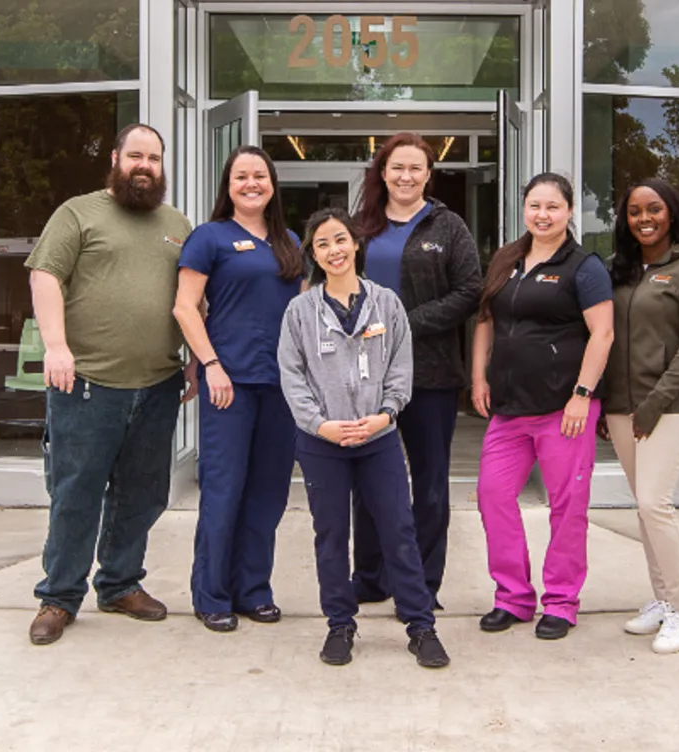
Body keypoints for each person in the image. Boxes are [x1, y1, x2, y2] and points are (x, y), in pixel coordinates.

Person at [26, 123, 196, 646]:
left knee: (143, 494)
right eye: (136, 156)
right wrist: (56, 346)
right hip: (87, 385)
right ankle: (58, 597)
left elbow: (191, 295)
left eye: (155, 158)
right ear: (117, 158)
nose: (145, 166)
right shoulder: (78, 213)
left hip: (158, 384)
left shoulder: (176, 224)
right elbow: (45, 275)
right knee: (76, 493)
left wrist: (194, 359)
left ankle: (120, 584)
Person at [277, 208, 451, 669]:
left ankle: (420, 626)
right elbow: (292, 377)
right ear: (313, 254)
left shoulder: (387, 304)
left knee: (398, 528)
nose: (333, 250)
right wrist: (319, 425)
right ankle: (340, 625)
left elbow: (400, 368)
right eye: (322, 244)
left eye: (340, 240)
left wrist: (385, 415)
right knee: (331, 533)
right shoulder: (300, 311)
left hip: (378, 437)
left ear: (356, 244)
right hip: (322, 441)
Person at [471, 173, 614, 641]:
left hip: (563, 410)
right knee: (493, 497)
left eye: (553, 206)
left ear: (569, 212)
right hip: (510, 411)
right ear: (524, 209)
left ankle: (561, 601)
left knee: (566, 507)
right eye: (535, 205)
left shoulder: (583, 267)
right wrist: (479, 376)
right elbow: (486, 320)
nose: (543, 215)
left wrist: (582, 394)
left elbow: (603, 333)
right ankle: (511, 596)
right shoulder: (507, 259)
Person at [173, 145, 306, 633]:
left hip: (282, 387)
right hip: (228, 383)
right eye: (241, 176)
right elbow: (186, 308)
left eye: (260, 176)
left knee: (268, 494)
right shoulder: (209, 238)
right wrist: (209, 364)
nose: (252, 184)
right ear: (227, 186)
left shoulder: (288, 241)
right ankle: (212, 594)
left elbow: (301, 312)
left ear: (272, 185)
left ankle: (254, 590)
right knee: (224, 490)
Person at [349, 133, 482, 608]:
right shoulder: (361, 225)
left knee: (428, 482)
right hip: (364, 377)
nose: (405, 177)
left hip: (430, 374)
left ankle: (423, 583)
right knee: (368, 480)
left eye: (415, 168)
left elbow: (470, 290)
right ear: (382, 173)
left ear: (429, 174)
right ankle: (369, 577)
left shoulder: (448, 227)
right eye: (396, 168)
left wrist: (404, 323)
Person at [599, 177, 679, 655]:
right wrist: (611, 402)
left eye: (653, 209)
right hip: (624, 407)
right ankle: (661, 595)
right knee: (643, 509)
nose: (644, 219)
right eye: (634, 212)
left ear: (672, 212)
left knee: (654, 503)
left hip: (673, 405)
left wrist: (651, 405)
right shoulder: (622, 270)